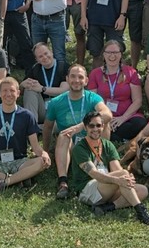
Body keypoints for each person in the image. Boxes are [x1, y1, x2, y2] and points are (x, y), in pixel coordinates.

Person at [69, 112, 149, 224]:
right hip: (87, 190)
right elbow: (94, 174)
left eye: (98, 125)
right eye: (91, 126)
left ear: (103, 126)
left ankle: (107, 207)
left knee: (143, 190)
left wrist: (127, 178)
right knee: (123, 175)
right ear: (85, 127)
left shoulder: (107, 145)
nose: (95, 129)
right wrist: (118, 179)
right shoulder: (80, 148)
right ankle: (141, 211)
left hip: (106, 188)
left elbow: (117, 170)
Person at [43, 65, 114, 198]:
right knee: (64, 135)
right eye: (73, 76)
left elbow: (107, 114)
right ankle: (63, 181)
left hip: (90, 144)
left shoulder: (93, 98)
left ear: (86, 81)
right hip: (71, 146)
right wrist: (45, 152)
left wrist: (81, 126)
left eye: (80, 77)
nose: (77, 80)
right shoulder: (56, 102)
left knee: (104, 123)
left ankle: (102, 164)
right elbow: (47, 128)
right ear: (67, 79)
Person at [90, 40, 145, 141]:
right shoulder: (95, 73)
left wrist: (122, 118)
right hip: (104, 116)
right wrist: (105, 119)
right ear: (104, 54)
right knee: (94, 125)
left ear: (120, 54)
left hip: (127, 117)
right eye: (109, 52)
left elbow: (138, 101)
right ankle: (117, 137)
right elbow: (92, 100)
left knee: (139, 124)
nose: (112, 56)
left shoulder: (130, 72)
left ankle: (111, 136)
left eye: (115, 52)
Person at [20, 43, 68, 124]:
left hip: (59, 110)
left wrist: (42, 89)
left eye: (46, 53)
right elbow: (21, 90)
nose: (44, 57)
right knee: (29, 90)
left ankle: (39, 129)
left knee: (60, 124)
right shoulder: (36, 69)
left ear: (51, 52)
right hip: (43, 109)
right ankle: (32, 127)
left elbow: (64, 90)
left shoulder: (63, 66)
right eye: (40, 56)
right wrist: (22, 85)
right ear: (37, 59)